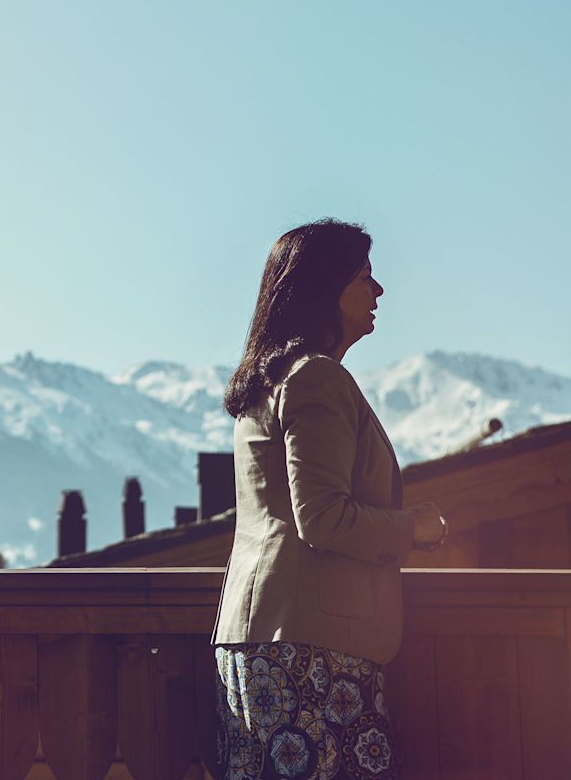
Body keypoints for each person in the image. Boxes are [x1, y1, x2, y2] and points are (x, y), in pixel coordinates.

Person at [211, 219, 447, 780]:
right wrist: (413, 528)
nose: (378, 291)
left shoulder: (270, 379)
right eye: (365, 277)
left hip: (265, 636)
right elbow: (322, 517)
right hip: (311, 652)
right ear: (325, 289)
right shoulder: (316, 378)